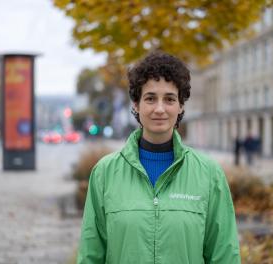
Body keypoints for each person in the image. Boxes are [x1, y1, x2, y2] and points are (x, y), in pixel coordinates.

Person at [77, 51, 241, 263]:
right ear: (136, 104)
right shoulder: (104, 173)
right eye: (150, 98)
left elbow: (224, 255)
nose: (160, 109)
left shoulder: (209, 174)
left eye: (170, 99)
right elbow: (91, 255)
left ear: (181, 105)